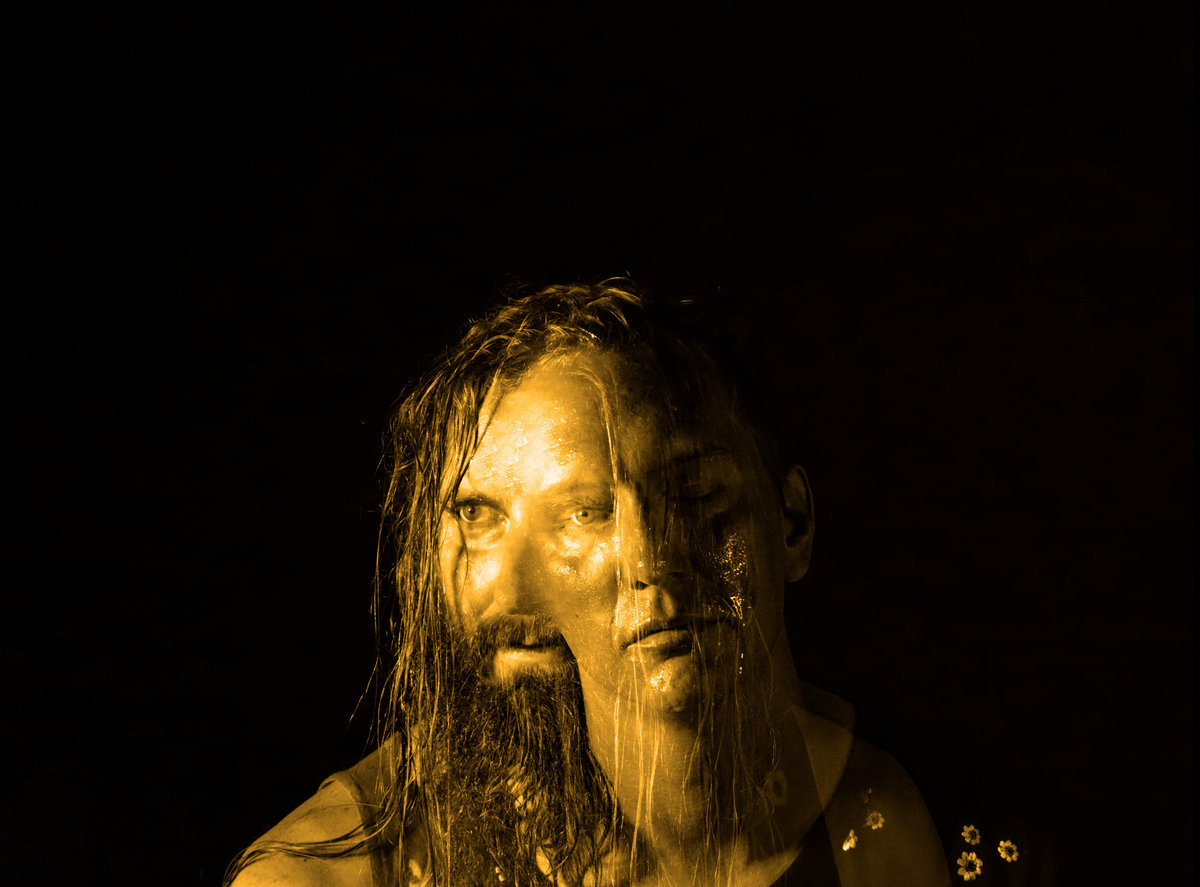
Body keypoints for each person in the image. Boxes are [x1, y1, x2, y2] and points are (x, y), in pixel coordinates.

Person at [226, 280, 950, 886]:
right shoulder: (333, 866)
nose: (525, 586)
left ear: (791, 521)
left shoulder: (917, 814)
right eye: (476, 516)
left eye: (577, 513)